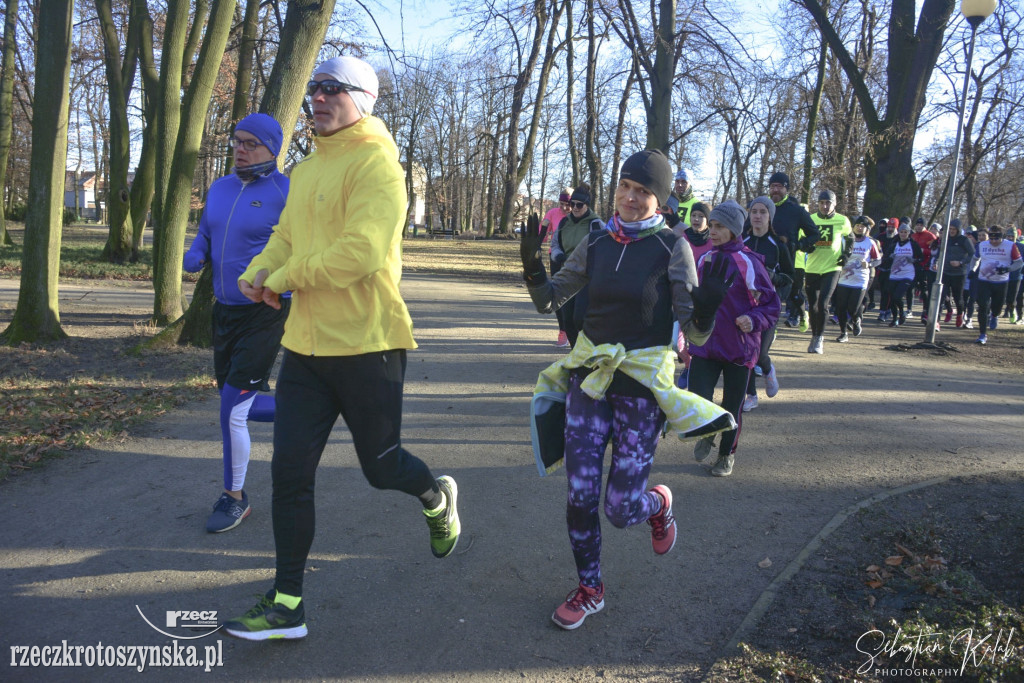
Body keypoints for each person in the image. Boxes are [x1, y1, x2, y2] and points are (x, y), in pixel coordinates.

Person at [223, 55, 460, 641]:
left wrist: (284, 278)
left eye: (331, 89)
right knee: (290, 474)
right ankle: (287, 605)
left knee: (381, 469)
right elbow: (284, 238)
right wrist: (257, 272)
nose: (318, 99)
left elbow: (361, 253)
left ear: (363, 98)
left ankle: (436, 497)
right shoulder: (305, 172)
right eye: (313, 90)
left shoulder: (380, 166)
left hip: (368, 344)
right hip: (305, 348)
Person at [521, 149, 735, 630]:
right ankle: (590, 588)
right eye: (626, 186)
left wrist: (703, 312)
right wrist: (533, 267)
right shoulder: (596, 242)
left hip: (639, 387)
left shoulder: (670, 248)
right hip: (590, 380)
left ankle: (657, 504)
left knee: (620, 509)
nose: (631, 198)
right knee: (579, 496)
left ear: (658, 198)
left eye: (643, 191)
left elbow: (694, 335)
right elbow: (549, 299)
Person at [182, 113, 290, 533]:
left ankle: (234, 498)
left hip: (266, 310)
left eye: (250, 143)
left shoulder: (285, 192)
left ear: (271, 149)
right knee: (235, 404)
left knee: (231, 410)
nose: (239, 150)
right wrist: (197, 249)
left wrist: (283, 284)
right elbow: (208, 230)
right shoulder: (221, 187)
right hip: (223, 310)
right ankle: (310, 408)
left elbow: (296, 245)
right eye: (236, 141)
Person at [689, 200, 780, 474]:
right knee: (699, 397)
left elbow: (772, 307)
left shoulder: (749, 263)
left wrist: (752, 320)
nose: (713, 231)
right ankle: (708, 431)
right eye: (712, 226)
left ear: (734, 229)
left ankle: (726, 455)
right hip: (706, 344)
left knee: (732, 405)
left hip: (739, 349)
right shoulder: (705, 259)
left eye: (720, 226)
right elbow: (690, 299)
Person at [741, 196, 792, 410]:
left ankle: (768, 368)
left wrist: (772, 278)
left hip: (768, 308)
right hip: (744, 306)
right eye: (754, 212)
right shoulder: (741, 242)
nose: (758, 216)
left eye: (763, 212)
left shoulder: (778, 245)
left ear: (770, 217)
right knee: (746, 353)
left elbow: (790, 277)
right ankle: (751, 395)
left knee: (760, 354)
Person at [549, 183, 604, 347]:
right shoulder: (564, 223)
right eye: (572, 204)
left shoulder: (596, 224)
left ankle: (589, 351)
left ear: (587, 205)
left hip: (588, 277)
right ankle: (576, 355)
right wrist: (558, 256)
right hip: (568, 274)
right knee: (567, 320)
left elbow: (606, 247)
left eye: (579, 205)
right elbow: (555, 244)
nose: (574, 208)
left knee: (579, 317)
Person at [766, 171, 819, 327]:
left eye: (779, 186)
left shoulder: (796, 211)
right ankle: (770, 328)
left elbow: (814, 234)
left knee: (794, 294)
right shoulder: (762, 207)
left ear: (786, 189)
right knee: (770, 296)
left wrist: (800, 245)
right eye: (772, 186)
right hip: (766, 260)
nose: (775, 190)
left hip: (790, 261)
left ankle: (803, 314)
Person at [805, 190, 851, 354]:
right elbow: (803, 238)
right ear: (817, 203)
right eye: (822, 203)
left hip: (832, 267)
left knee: (823, 303)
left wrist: (846, 255)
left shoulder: (842, 220)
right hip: (812, 267)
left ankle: (819, 338)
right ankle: (814, 334)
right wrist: (807, 246)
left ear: (835, 204)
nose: (825, 206)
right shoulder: (810, 219)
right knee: (813, 305)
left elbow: (851, 237)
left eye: (828, 203)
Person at [972, 225, 1023, 345]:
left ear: (1002, 237)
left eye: (997, 239)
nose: (994, 241)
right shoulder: (982, 245)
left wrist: (1007, 269)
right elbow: (975, 259)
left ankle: (995, 315)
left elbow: (1019, 263)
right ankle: (982, 334)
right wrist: (972, 270)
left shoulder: (1010, 246)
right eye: (991, 238)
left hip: (1001, 281)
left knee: (997, 307)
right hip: (983, 280)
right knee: (983, 306)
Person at [833, 216, 881, 342]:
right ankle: (843, 333)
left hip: (861, 279)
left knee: (853, 308)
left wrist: (869, 264)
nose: (859, 228)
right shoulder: (845, 240)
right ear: (853, 227)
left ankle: (856, 320)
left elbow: (878, 260)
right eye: (857, 225)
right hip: (843, 278)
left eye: (863, 226)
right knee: (841, 307)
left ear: (867, 229)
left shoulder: (870, 243)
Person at [543, 191, 571, 346]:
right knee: (558, 294)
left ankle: (575, 331)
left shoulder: (576, 216)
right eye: (562, 204)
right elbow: (543, 230)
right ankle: (563, 330)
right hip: (555, 257)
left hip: (573, 258)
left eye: (568, 204)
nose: (566, 208)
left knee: (573, 295)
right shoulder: (553, 213)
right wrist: (538, 240)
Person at [884, 223, 921, 327]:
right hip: (894, 274)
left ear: (909, 233)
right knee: (891, 298)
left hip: (908, 274)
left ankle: (902, 314)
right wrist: (890, 257)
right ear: (898, 232)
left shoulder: (913, 245)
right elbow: (885, 259)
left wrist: (914, 260)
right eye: (901, 232)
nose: (903, 234)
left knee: (897, 296)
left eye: (906, 232)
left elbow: (921, 258)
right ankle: (895, 318)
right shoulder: (893, 245)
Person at [937, 219, 973, 328]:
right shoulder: (945, 239)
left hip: (959, 273)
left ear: (958, 229)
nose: (951, 231)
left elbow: (972, 254)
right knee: (941, 296)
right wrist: (937, 262)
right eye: (950, 229)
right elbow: (940, 253)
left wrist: (961, 262)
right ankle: (936, 321)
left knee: (958, 297)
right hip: (945, 272)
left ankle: (960, 315)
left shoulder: (964, 240)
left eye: (954, 229)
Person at [874, 218, 899, 323]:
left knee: (887, 290)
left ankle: (884, 311)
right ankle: (885, 309)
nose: (890, 229)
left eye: (893, 227)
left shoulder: (898, 238)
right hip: (881, 267)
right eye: (889, 227)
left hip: (893, 268)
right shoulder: (881, 237)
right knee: (882, 289)